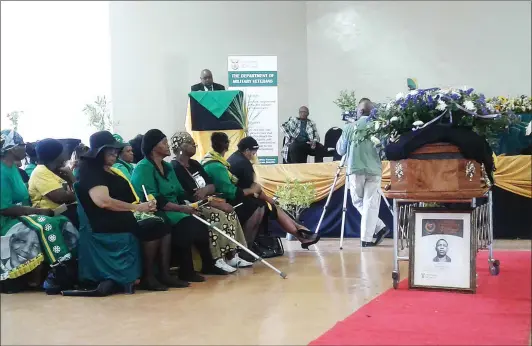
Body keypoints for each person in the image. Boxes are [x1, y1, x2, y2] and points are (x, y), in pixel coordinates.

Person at [77, 131, 188, 291]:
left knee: (162, 220)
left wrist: (145, 205)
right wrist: (137, 208)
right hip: (104, 219)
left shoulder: (112, 170)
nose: (115, 153)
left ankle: (164, 274)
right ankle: (147, 276)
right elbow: (103, 202)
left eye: (116, 150)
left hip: (120, 213)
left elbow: (129, 197)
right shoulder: (91, 172)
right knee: (153, 225)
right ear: (99, 152)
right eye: (110, 150)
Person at [131, 129, 226, 282]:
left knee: (199, 219)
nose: (168, 146)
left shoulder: (167, 167)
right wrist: (183, 209)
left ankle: (207, 263)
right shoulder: (144, 167)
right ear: (154, 146)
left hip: (174, 207)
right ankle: (183, 270)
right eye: (164, 143)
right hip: (154, 209)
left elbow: (180, 192)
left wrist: (193, 205)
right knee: (188, 223)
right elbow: (154, 198)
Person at [0, 129, 78, 293]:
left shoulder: (12, 169)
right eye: (21, 145)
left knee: (62, 221)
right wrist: (37, 211)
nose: (25, 147)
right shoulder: (2, 171)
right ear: (11, 149)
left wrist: (33, 210)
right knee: (47, 224)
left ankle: (72, 268)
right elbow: (5, 208)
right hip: (6, 220)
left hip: (20, 215)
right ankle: (58, 272)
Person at [170, 131, 253, 272]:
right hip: (192, 204)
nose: (194, 145)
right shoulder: (174, 167)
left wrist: (206, 190)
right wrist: (211, 201)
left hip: (208, 199)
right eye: (190, 143)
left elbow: (211, 185)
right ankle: (217, 258)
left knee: (230, 212)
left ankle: (232, 256)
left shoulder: (195, 164)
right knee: (218, 215)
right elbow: (188, 194)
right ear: (181, 146)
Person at [227, 136, 320, 249]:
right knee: (271, 206)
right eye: (253, 152)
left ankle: (300, 233)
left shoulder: (234, 158)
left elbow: (253, 188)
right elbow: (254, 189)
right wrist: (269, 199)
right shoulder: (243, 163)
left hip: (240, 197)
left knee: (273, 207)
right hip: (238, 201)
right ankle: (300, 233)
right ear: (247, 150)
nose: (254, 155)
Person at [336, 98, 389, 247]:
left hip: (356, 169)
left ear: (359, 111)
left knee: (358, 201)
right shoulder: (379, 127)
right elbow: (384, 150)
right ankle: (373, 232)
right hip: (374, 170)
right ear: (372, 112)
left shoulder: (350, 127)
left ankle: (377, 230)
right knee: (370, 204)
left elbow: (340, 150)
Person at [29, 138, 79, 228]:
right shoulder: (41, 172)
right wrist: (71, 178)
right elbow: (62, 198)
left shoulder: (54, 171)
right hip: (52, 218)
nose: (65, 154)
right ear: (56, 154)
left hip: (64, 213)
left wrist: (69, 179)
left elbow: (73, 193)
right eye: (62, 151)